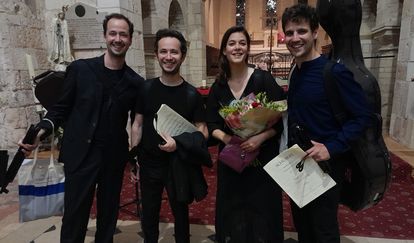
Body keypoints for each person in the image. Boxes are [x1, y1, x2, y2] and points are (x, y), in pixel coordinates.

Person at [19, 13, 143, 243]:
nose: (118, 38)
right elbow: (60, 109)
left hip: (113, 157)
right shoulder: (81, 69)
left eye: (123, 34)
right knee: (75, 216)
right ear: (105, 36)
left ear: (130, 39)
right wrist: (41, 131)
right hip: (80, 155)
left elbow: (136, 123)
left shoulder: (135, 82)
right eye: (113, 33)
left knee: (108, 216)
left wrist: (134, 157)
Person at [282, 4, 371, 243]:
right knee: (303, 226)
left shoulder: (334, 72)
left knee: (323, 231)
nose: (295, 38)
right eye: (289, 33)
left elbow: (364, 117)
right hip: (299, 165)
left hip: (326, 168)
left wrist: (331, 147)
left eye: (301, 31)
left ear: (315, 33)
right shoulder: (296, 72)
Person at [130, 28, 211, 243]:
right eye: (163, 51)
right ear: (156, 54)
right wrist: (133, 158)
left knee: (181, 213)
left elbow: (202, 130)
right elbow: (137, 124)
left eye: (174, 52)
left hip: (178, 163)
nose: (168, 57)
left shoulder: (191, 94)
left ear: (182, 55)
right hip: (149, 162)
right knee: (149, 213)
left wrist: (181, 144)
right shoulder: (146, 89)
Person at [206, 26, 285, 243]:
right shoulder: (219, 86)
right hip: (233, 160)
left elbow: (280, 120)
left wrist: (261, 136)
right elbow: (212, 123)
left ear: (248, 48)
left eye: (242, 43)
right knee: (233, 209)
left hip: (262, 159)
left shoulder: (263, 79)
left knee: (262, 209)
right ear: (224, 50)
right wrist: (227, 138)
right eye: (232, 43)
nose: (237, 47)